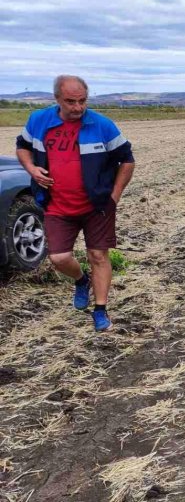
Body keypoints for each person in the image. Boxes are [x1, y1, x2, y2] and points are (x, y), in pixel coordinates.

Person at [16, 75, 135, 332]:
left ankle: (100, 309)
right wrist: (32, 169)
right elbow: (22, 147)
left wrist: (114, 197)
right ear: (57, 98)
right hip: (56, 205)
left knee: (98, 255)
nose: (78, 107)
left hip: (97, 206)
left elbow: (127, 160)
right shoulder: (39, 120)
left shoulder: (102, 125)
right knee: (58, 258)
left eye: (82, 101)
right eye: (71, 101)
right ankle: (82, 280)